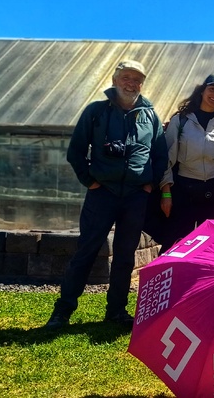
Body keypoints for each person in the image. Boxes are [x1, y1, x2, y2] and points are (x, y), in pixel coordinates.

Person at [45, 60, 168, 329]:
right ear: (115, 80)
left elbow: (160, 155)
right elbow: (76, 151)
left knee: (125, 255)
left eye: (137, 79)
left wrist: (150, 184)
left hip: (135, 197)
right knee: (86, 251)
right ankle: (62, 311)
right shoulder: (96, 112)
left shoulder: (150, 116)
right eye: (126, 77)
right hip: (103, 194)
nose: (131, 83)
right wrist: (90, 181)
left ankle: (116, 311)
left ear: (141, 84)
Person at [159, 74, 214, 252]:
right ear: (202, 91)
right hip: (185, 190)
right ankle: (174, 279)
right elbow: (167, 160)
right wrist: (166, 194)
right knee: (177, 242)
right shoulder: (181, 121)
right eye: (212, 89)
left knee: (212, 245)